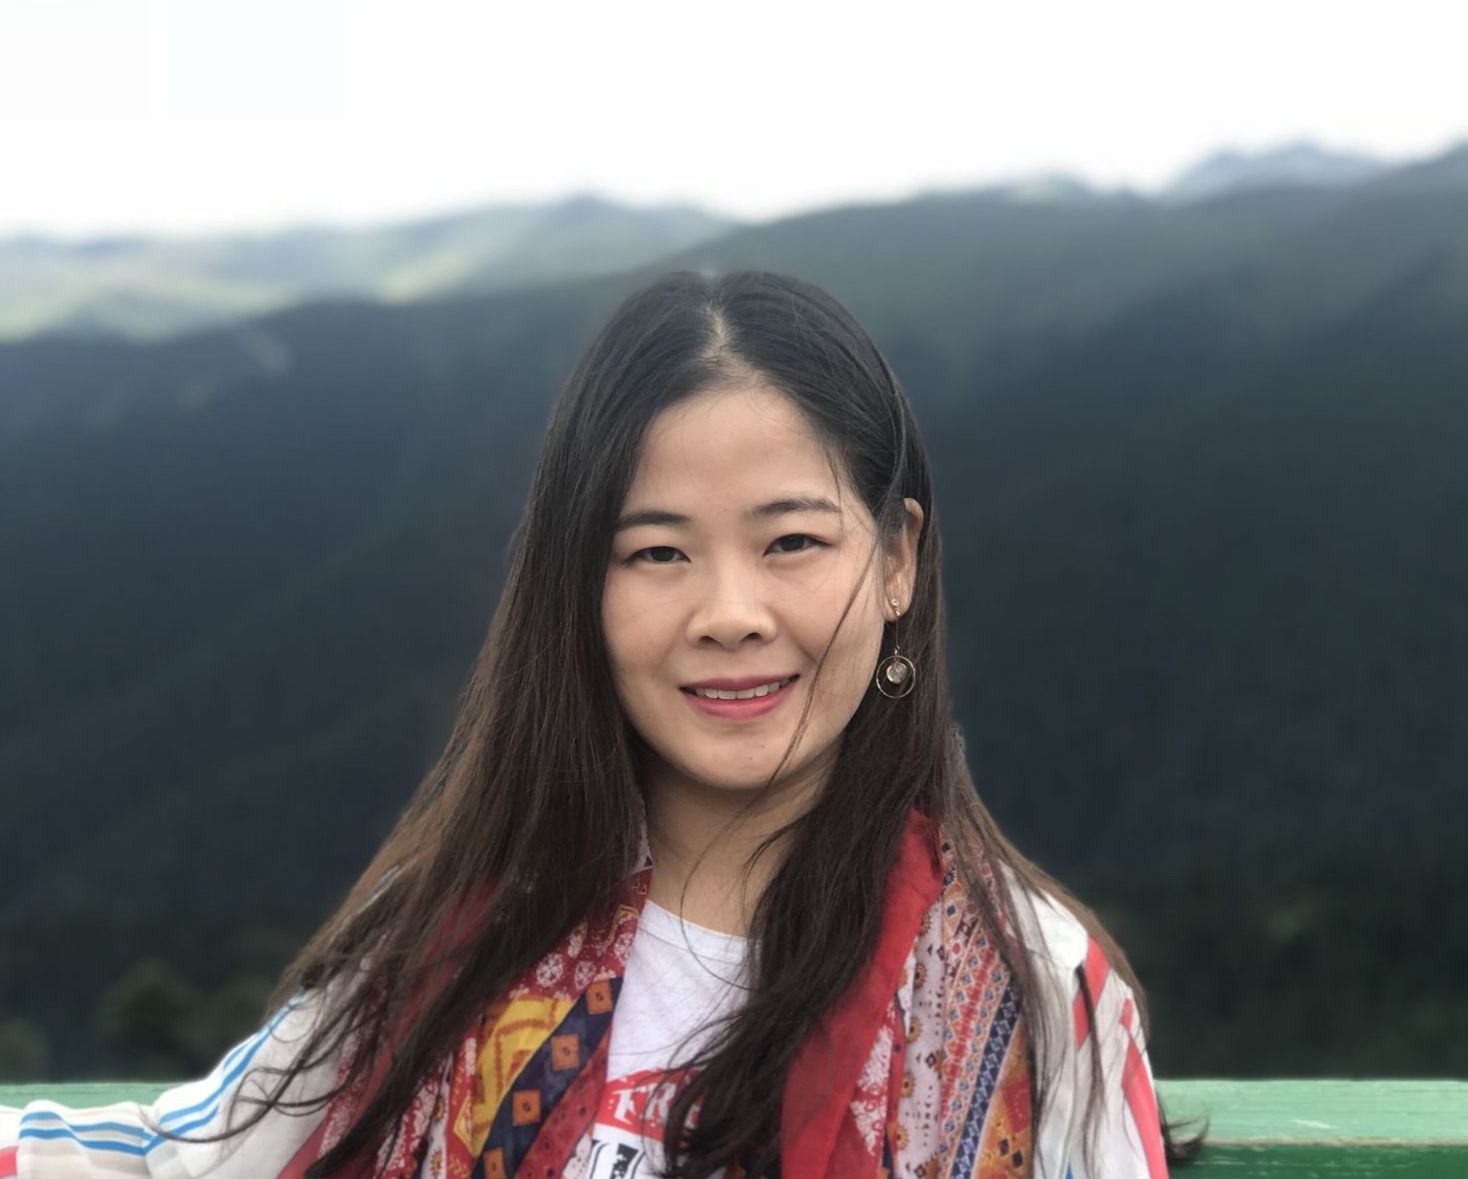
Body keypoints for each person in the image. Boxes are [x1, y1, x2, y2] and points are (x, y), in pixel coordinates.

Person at [1, 269, 1205, 1178]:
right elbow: (184, 1158)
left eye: (792, 541)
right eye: (655, 553)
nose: (729, 614)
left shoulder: (1032, 994)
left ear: (896, 561)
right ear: (579, 588)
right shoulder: (452, 930)